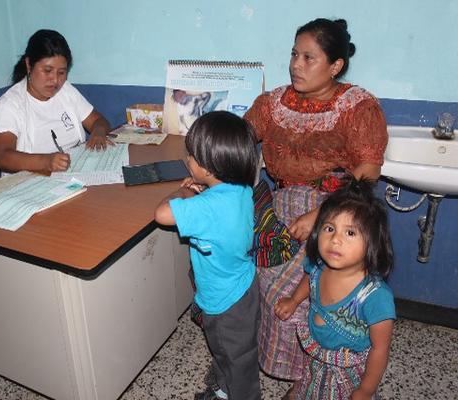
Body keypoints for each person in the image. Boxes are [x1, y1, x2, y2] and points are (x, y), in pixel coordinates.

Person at [242, 18, 388, 391]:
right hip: (283, 202)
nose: (295, 65)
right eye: (294, 54)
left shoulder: (357, 107)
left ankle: (309, 376)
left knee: (302, 289)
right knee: (253, 272)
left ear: (335, 65)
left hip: (336, 211)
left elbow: (368, 171)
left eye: (309, 57)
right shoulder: (274, 103)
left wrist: (322, 214)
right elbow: (239, 137)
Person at [155, 111, 261, 400]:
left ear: (206, 166)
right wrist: (201, 192)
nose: (187, 160)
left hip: (225, 302)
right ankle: (223, 389)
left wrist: (181, 191)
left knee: (236, 357)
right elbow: (215, 206)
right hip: (243, 286)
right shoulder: (240, 188)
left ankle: (239, 394)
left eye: (190, 156)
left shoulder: (207, 207)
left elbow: (162, 214)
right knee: (231, 351)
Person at [274, 177, 395, 399]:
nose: (335, 239)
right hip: (318, 356)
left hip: (349, 369)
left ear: (373, 242)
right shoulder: (320, 265)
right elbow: (310, 281)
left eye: (350, 233)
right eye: (329, 228)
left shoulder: (375, 297)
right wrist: (294, 300)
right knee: (311, 384)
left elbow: (380, 349)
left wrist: (366, 391)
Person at [0, 29, 112, 175]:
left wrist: (99, 131)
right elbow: (3, 157)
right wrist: (46, 162)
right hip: (30, 184)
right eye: (47, 70)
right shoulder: (9, 105)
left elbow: (98, 121)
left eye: (61, 73)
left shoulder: (66, 91)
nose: (55, 80)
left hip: (72, 175)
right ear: (28, 64)